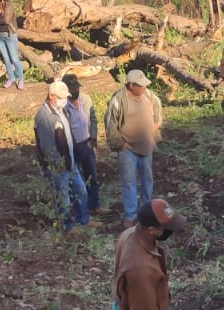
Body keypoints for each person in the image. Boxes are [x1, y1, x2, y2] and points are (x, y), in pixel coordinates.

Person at [104, 68, 164, 226]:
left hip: (146, 146)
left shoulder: (149, 95)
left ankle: (146, 211)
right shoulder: (118, 100)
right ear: (131, 85)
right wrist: (120, 144)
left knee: (147, 180)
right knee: (129, 182)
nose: (144, 87)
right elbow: (110, 124)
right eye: (140, 85)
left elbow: (158, 109)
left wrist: (155, 125)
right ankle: (130, 215)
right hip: (128, 149)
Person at [34, 80, 90, 232]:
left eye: (65, 96)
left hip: (70, 162)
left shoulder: (61, 110)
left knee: (80, 190)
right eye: (61, 97)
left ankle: (83, 220)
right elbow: (47, 146)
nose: (64, 99)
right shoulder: (45, 117)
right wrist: (57, 164)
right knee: (63, 197)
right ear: (51, 96)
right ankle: (68, 227)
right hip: (58, 166)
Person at [62, 73, 101, 213]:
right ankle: (79, 211)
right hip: (72, 147)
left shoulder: (85, 99)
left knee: (92, 177)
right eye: (72, 89)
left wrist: (93, 138)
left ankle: (94, 206)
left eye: (76, 88)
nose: (75, 91)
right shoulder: (62, 106)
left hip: (86, 143)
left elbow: (93, 119)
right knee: (76, 182)